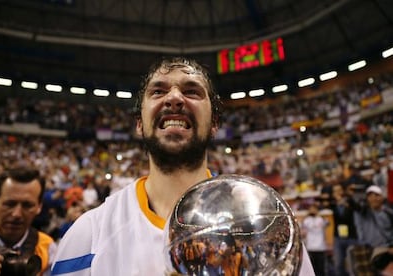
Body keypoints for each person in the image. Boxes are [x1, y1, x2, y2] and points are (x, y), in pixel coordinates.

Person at [51, 57, 316, 275]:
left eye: (192, 91)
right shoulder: (90, 235)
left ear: (214, 123)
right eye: (158, 91)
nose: (175, 98)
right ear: (139, 123)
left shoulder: (268, 228)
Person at [0, 166, 57, 275]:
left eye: (27, 205)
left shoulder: (48, 250)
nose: (16, 214)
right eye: (9, 204)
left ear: (39, 207)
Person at [329, 183, 358, 276]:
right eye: (334, 191)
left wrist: (344, 203)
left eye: (339, 190)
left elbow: (357, 209)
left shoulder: (350, 201)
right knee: (338, 264)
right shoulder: (333, 204)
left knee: (353, 264)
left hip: (351, 236)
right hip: (338, 237)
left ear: (343, 191)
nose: (337, 193)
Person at [301, 202, 329, 276]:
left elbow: (327, 223)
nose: (313, 210)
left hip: (321, 248)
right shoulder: (307, 220)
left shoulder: (321, 219)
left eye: (314, 209)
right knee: (312, 269)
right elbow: (302, 228)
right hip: (310, 248)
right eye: (311, 209)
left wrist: (319, 214)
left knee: (321, 269)